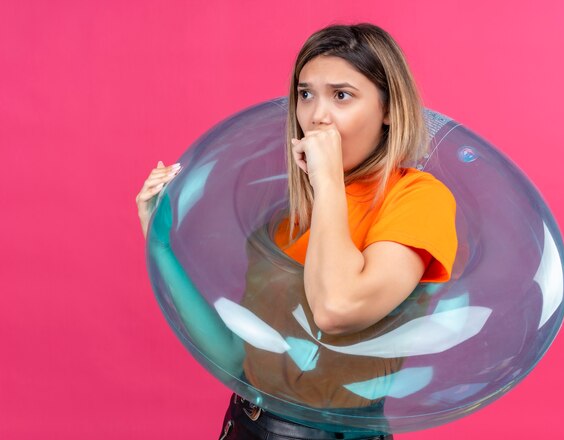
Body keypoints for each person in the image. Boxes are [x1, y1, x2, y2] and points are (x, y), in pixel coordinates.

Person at [136, 23, 457, 440]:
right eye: (306, 94)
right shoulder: (286, 221)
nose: (317, 116)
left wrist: (326, 182)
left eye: (342, 95)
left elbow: (336, 309)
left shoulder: (417, 198)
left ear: (389, 109)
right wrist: (159, 247)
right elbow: (240, 361)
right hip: (244, 425)